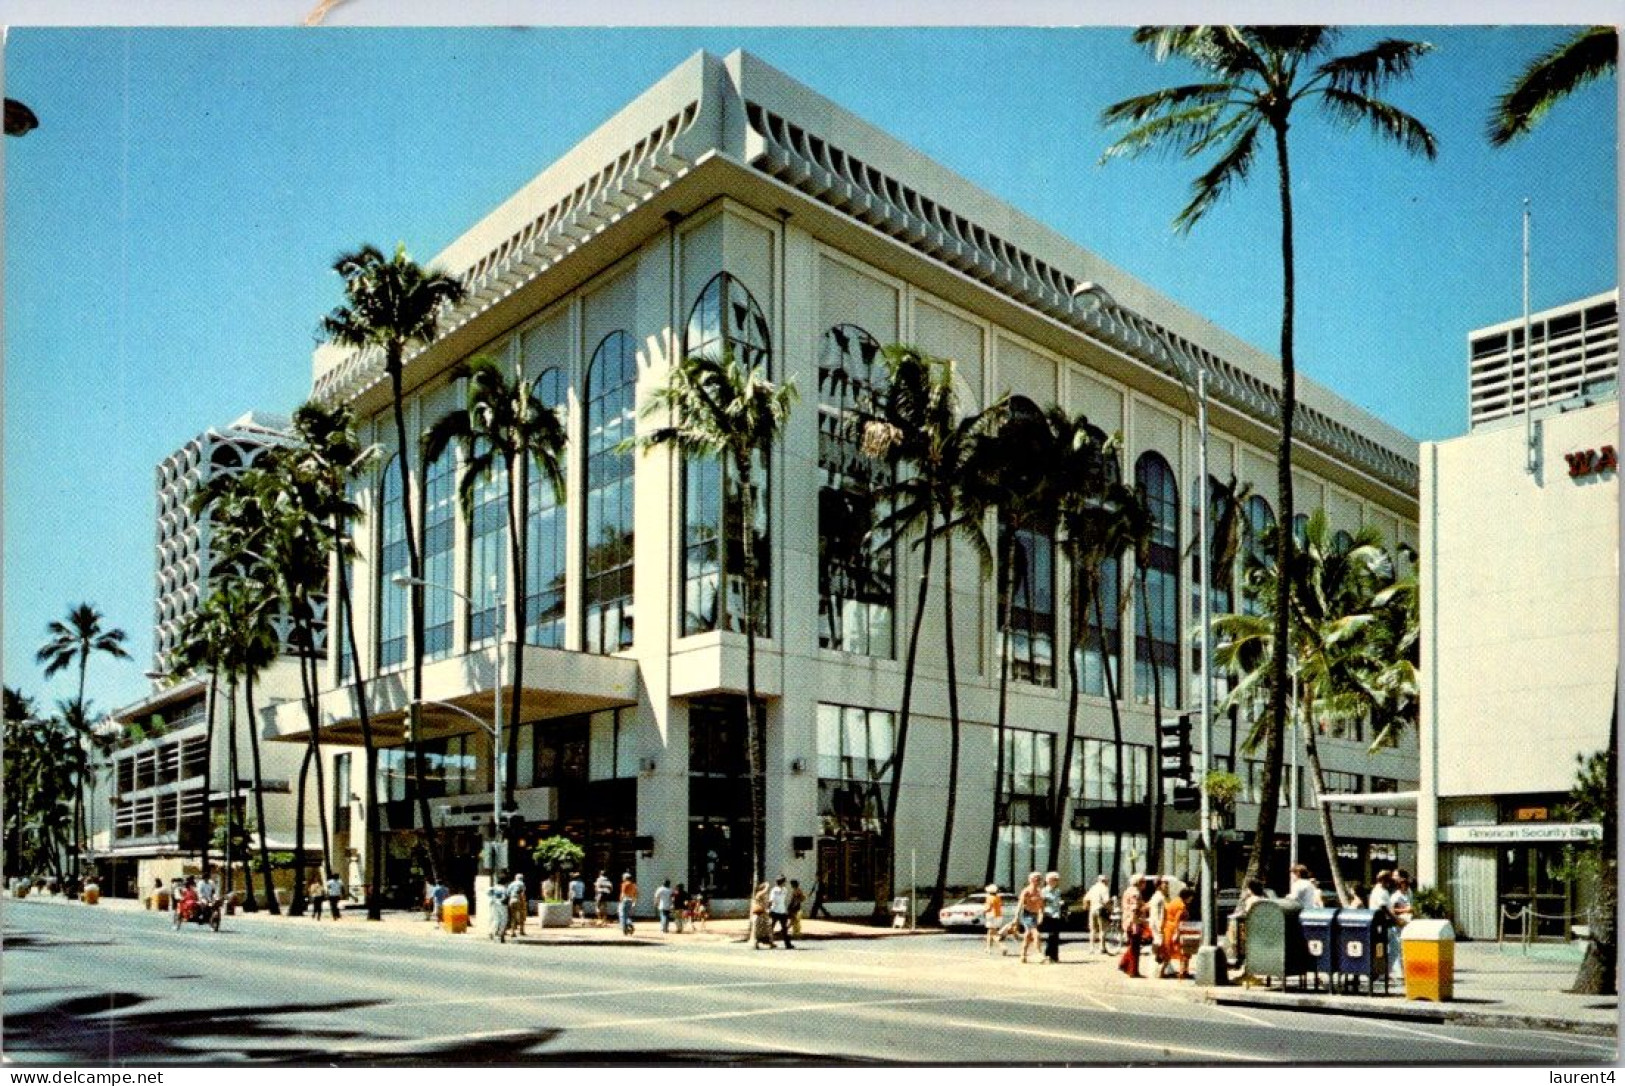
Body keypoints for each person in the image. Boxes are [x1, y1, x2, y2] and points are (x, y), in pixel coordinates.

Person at [1160, 887, 1193, 979]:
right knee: (1183, 951)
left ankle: (1161, 972)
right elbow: (1177, 920)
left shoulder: (1175, 901)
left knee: (1168, 952)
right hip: (1175, 929)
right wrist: (1177, 934)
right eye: (1191, 897)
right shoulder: (1181, 906)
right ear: (1187, 896)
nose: (1192, 899)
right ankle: (1183, 973)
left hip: (1168, 928)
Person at [1118, 875, 1144, 977]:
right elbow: (1134, 908)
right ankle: (1130, 969)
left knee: (1133, 946)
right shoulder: (1135, 893)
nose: (1144, 884)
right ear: (1138, 882)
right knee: (1135, 948)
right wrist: (1134, 924)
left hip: (1126, 920)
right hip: (1133, 922)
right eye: (1143, 881)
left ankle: (1128, 967)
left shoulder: (1128, 890)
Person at [1017, 872, 1044, 964]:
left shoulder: (1040, 892)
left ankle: (1023, 954)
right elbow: (1020, 904)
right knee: (1036, 934)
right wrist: (1016, 917)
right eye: (1035, 879)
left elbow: (1041, 906)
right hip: (1027, 915)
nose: (1037, 881)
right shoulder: (1026, 891)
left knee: (1028, 936)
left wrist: (1041, 915)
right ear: (1030, 880)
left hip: (1035, 915)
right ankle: (1039, 954)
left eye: (1039, 879)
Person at [1083, 874, 1112, 954]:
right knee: (1102, 929)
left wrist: (1087, 907)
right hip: (1100, 909)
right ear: (1104, 881)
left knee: (1092, 930)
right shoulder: (1104, 888)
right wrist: (1110, 909)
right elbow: (1106, 901)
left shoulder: (1093, 888)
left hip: (1092, 909)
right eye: (1107, 881)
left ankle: (1091, 948)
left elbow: (1085, 899)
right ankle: (1102, 948)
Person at [1040, 872, 1065, 964]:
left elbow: (1057, 901)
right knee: (1051, 935)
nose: (1056, 881)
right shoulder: (1044, 891)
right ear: (1048, 880)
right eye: (1054, 879)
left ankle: (1055, 956)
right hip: (1048, 915)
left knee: (1056, 936)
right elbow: (1042, 903)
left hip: (1056, 914)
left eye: (1057, 880)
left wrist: (1060, 903)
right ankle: (1048, 955)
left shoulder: (1057, 891)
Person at [1147, 878, 1169, 971]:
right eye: (1165, 884)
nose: (1167, 886)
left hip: (1156, 923)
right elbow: (1158, 913)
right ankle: (1157, 968)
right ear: (1160, 885)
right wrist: (1160, 926)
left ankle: (1158, 966)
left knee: (1158, 944)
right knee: (1159, 944)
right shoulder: (1159, 897)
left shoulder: (1157, 896)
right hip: (1158, 924)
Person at [768, 876, 795, 949]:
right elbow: (771, 901)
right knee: (773, 928)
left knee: (782, 928)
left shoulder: (779, 890)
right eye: (784, 882)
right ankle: (771, 942)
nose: (785, 883)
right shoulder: (777, 890)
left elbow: (771, 901)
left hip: (779, 911)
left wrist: (769, 908)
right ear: (782, 882)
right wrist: (769, 908)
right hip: (776, 911)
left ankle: (787, 944)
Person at [982, 884, 1006, 955]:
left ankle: (1002, 947)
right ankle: (988, 948)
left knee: (993, 934)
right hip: (999, 916)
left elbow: (989, 908)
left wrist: (984, 911)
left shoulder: (989, 898)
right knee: (990, 933)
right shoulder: (998, 897)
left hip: (992, 917)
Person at [750, 882, 774, 949]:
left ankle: (770, 943)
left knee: (767, 929)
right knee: (759, 930)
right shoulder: (759, 894)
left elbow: (767, 904)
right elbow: (764, 891)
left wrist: (769, 904)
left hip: (764, 914)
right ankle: (756, 943)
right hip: (759, 914)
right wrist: (767, 885)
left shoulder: (765, 896)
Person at [487, 874, 510, 943]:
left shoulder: (493, 888)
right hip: (502, 905)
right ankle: (501, 935)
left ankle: (491, 932)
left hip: (493, 904)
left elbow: (488, 894)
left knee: (496, 919)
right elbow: (506, 897)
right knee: (504, 920)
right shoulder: (504, 889)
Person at [507, 871, 528, 936]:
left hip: (511, 900)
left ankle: (512, 932)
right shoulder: (521, 884)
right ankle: (521, 931)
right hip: (519, 900)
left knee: (513, 917)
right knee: (522, 916)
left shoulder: (511, 884)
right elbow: (522, 893)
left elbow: (508, 893)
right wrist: (523, 902)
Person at [618, 871, 638, 936]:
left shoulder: (625, 884)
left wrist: (620, 901)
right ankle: (629, 923)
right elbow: (635, 895)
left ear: (626, 878)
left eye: (623, 877)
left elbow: (622, 893)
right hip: (630, 901)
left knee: (622, 915)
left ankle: (625, 929)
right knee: (627, 915)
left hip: (624, 900)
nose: (622, 878)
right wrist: (634, 902)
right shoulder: (634, 885)